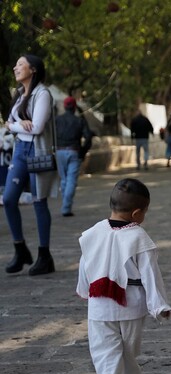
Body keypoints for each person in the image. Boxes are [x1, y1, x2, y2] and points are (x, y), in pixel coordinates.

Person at [77, 178, 171, 374]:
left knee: (106, 352)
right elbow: (151, 275)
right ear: (137, 213)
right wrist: (158, 305)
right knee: (125, 350)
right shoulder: (139, 237)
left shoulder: (92, 233)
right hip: (131, 306)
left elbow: (85, 265)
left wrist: (84, 288)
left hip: (99, 304)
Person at [3, 54, 58, 276]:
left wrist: (15, 125)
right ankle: (20, 249)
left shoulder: (42, 94)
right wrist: (17, 124)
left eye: (20, 64)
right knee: (8, 199)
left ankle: (45, 256)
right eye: (15, 64)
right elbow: (8, 122)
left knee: (38, 201)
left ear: (33, 69)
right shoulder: (19, 94)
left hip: (37, 151)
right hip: (19, 152)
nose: (15, 68)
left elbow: (36, 128)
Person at [54, 96, 92, 217]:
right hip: (74, 151)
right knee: (71, 180)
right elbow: (88, 137)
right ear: (75, 107)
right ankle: (66, 207)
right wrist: (83, 152)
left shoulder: (57, 120)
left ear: (65, 107)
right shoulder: (79, 120)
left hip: (59, 152)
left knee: (64, 179)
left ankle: (66, 204)